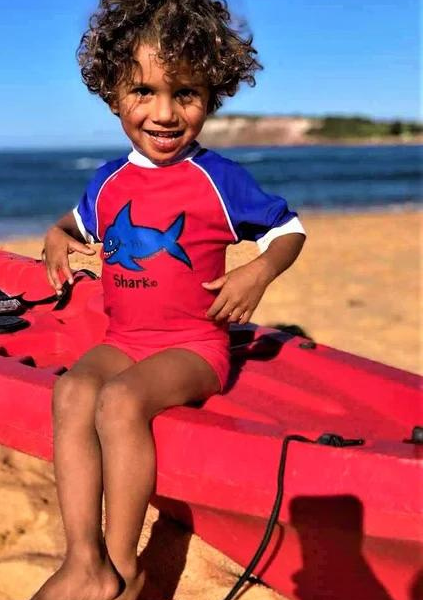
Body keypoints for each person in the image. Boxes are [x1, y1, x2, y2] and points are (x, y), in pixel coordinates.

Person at [33, 1, 305, 599]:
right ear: (111, 95)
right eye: (143, 91)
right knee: (73, 389)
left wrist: (257, 272)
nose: (164, 112)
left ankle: (124, 566)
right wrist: (57, 235)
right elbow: (78, 223)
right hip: (123, 340)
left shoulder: (220, 178)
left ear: (212, 94)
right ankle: (83, 560)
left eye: (186, 93)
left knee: (120, 403)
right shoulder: (106, 182)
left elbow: (289, 231)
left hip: (195, 346)